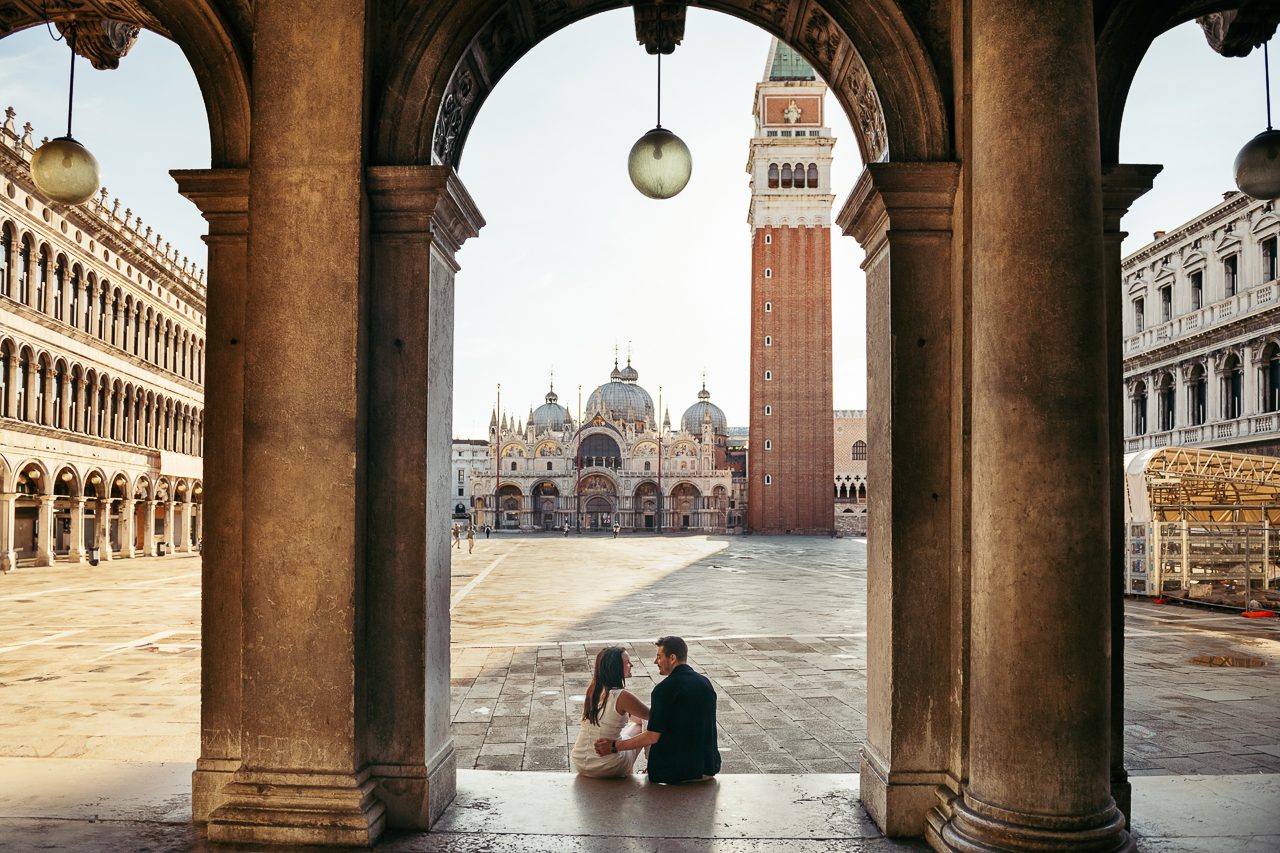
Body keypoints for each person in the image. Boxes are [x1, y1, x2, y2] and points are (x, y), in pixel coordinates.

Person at [595, 636, 720, 784]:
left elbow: (651, 737)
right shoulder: (705, 683)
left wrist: (614, 746)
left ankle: (648, 769)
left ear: (672, 658)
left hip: (677, 773)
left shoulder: (663, 690)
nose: (655, 662)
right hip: (708, 768)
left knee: (650, 725)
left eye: (659, 657)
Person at [572, 646, 648, 778]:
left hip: (580, 761)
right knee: (645, 723)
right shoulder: (622, 696)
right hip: (607, 765)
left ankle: (629, 771)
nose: (631, 665)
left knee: (637, 724)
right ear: (616, 668)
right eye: (627, 662)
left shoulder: (593, 691)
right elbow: (653, 716)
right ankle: (650, 766)